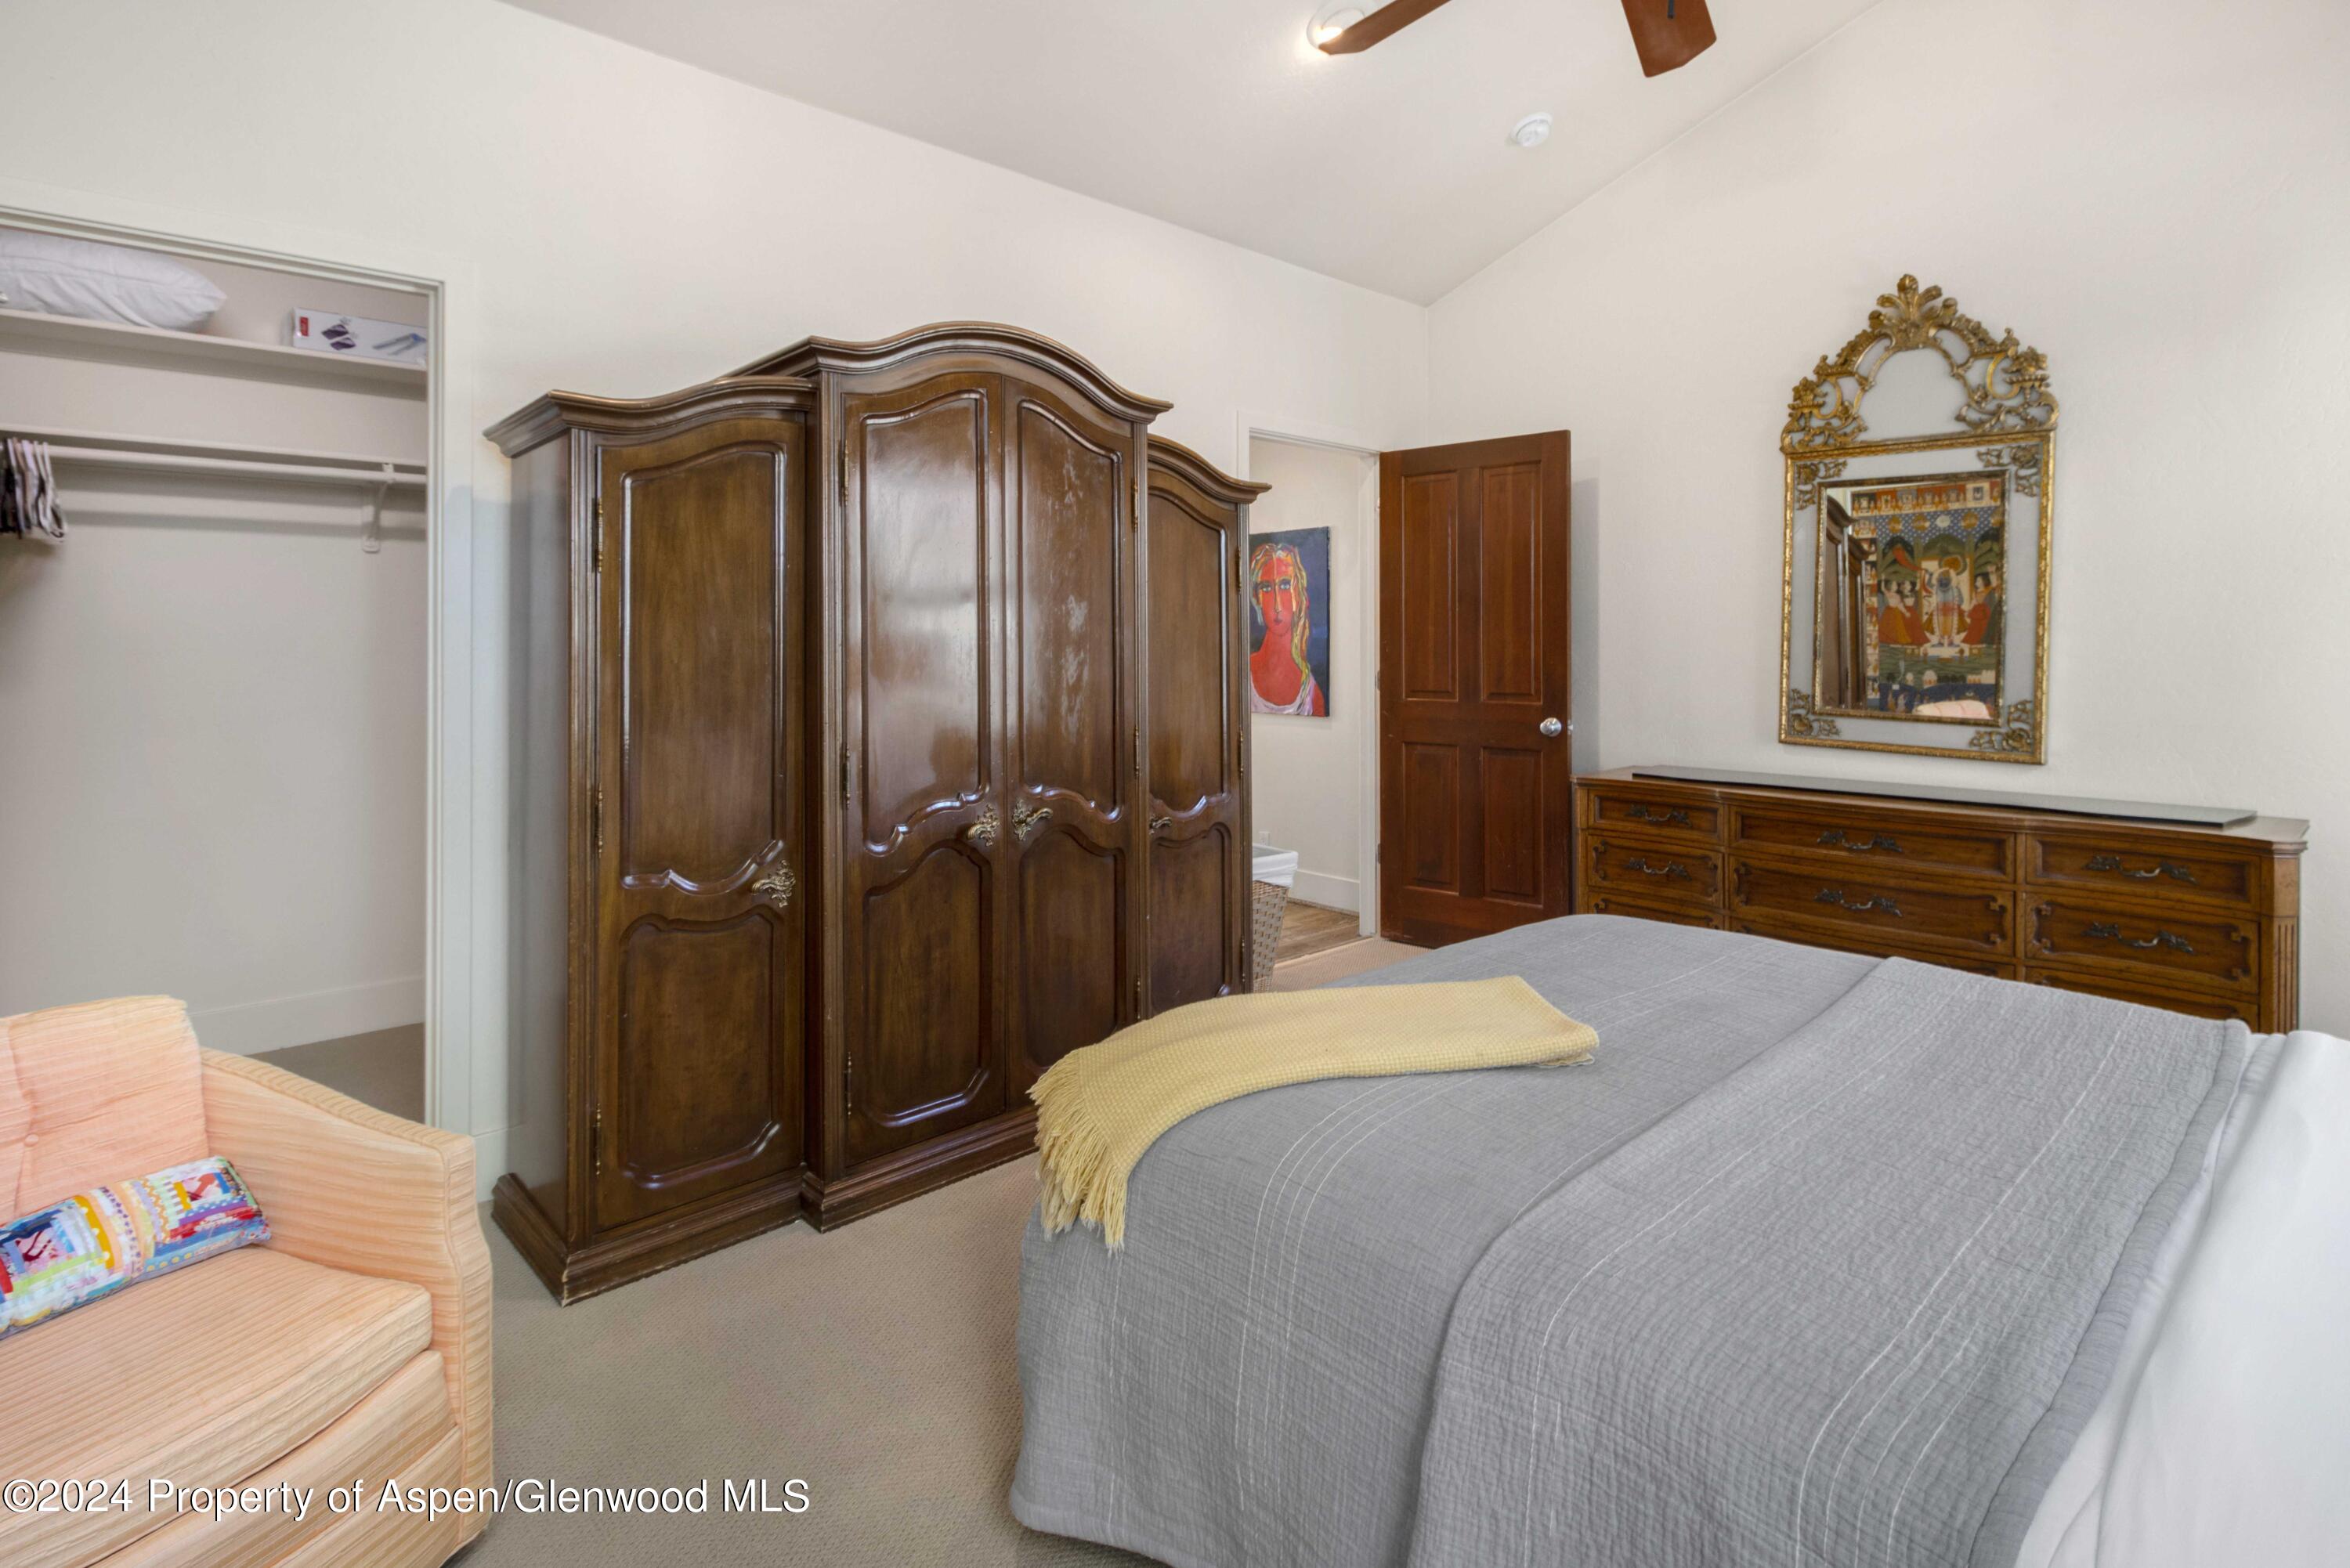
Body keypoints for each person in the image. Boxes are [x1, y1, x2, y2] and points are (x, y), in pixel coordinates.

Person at [1249, 540, 1326, 716]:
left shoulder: (1310, 696)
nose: (1277, 605)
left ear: (1299, 595)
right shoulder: (1242, 673)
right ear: (1257, 598)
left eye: (1285, 586)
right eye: (1266, 588)